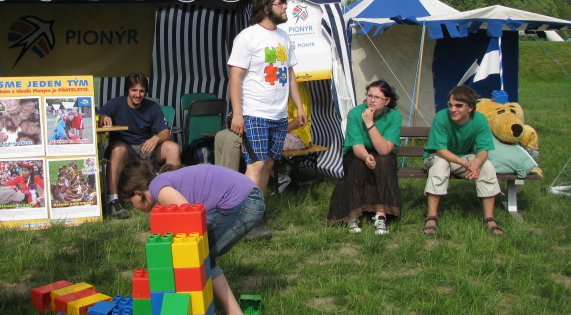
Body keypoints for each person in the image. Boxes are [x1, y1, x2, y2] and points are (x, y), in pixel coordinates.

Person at [118, 162, 263, 315]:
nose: (133, 207)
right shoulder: (161, 182)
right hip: (248, 198)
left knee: (197, 258)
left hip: (243, 202)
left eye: (130, 202)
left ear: (137, 193)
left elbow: (189, 220)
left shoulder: (157, 188)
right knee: (203, 258)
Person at [227, 0, 306, 239]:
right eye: (280, 3)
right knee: (256, 164)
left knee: (269, 163)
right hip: (255, 112)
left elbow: (290, 75)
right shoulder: (248, 37)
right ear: (265, 8)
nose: (285, 7)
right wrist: (237, 113)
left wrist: (299, 106)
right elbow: (235, 77)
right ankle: (244, 220)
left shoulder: (283, 37)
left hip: (279, 115)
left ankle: (256, 214)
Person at [97, 72, 180, 219]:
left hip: (145, 147)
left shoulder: (152, 107)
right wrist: (103, 117)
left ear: (146, 92)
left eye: (141, 91)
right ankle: (113, 200)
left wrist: (155, 138)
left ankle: (170, 194)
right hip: (124, 149)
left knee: (172, 147)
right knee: (118, 149)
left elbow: (165, 133)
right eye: (134, 90)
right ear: (127, 91)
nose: (138, 94)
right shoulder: (116, 103)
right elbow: (99, 115)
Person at [422, 85, 503, 236]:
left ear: (470, 107)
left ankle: (489, 218)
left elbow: (484, 150)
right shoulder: (441, 117)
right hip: (438, 157)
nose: (453, 109)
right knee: (440, 165)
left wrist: (476, 163)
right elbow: (440, 151)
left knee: (487, 166)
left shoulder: (480, 120)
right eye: (450, 105)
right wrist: (464, 164)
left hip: (464, 157)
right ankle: (431, 217)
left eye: (459, 106)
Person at [326, 80, 403, 235]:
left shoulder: (394, 116)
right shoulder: (355, 113)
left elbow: (384, 150)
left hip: (382, 152)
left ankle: (381, 215)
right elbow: (356, 146)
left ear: (387, 100)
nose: (372, 100)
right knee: (357, 163)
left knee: (384, 161)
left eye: (377, 97)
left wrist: (370, 124)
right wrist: (366, 156)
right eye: (369, 96)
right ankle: (353, 216)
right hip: (359, 152)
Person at [215, 81, 313, 193]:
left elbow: (299, 120)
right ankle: (219, 181)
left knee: (235, 140)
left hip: (296, 135)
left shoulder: (298, 86)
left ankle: (228, 188)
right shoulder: (273, 83)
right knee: (221, 136)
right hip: (269, 127)